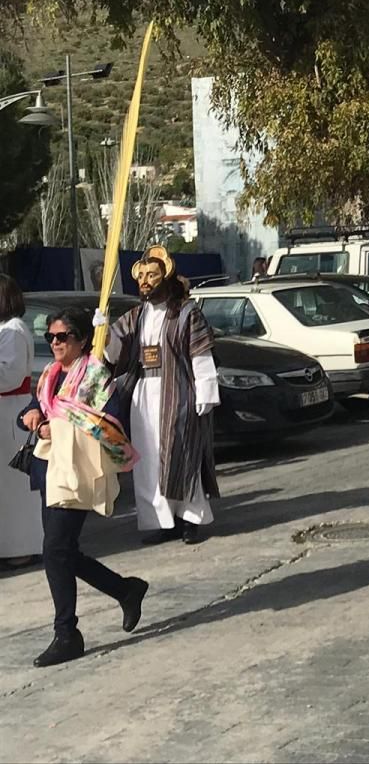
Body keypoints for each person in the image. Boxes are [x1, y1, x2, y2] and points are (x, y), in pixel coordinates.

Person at [19, 307, 146, 667]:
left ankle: (66, 633)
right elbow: (34, 409)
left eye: (63, 337)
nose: (56, 343)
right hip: (49, 471)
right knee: (61, 551)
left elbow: (111, 424)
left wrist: (59, 426)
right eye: (51, 337)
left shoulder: (96, 376)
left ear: (82, 339)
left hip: (78, 472)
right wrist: (31, 418)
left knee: (55, 548)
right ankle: (125, 589)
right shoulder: (49, 375)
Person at [105, 245, 220, 544]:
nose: (145, 281)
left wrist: (205, 391)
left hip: (178, 392)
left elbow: (201, 354)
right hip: (143, 395)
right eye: (141, 276)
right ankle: (161, 521)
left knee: (181, 455)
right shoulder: (135, 315)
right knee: (149, 461)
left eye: (151, 276)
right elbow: (114, 352)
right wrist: (102, 332)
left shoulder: (186, 313)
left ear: (165, 277)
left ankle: (190, 520)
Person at [0, 276, 41, 569]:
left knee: (14, 485)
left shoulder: (12, 331)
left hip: (10, 410)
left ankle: (21, 547)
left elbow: (9, 375)